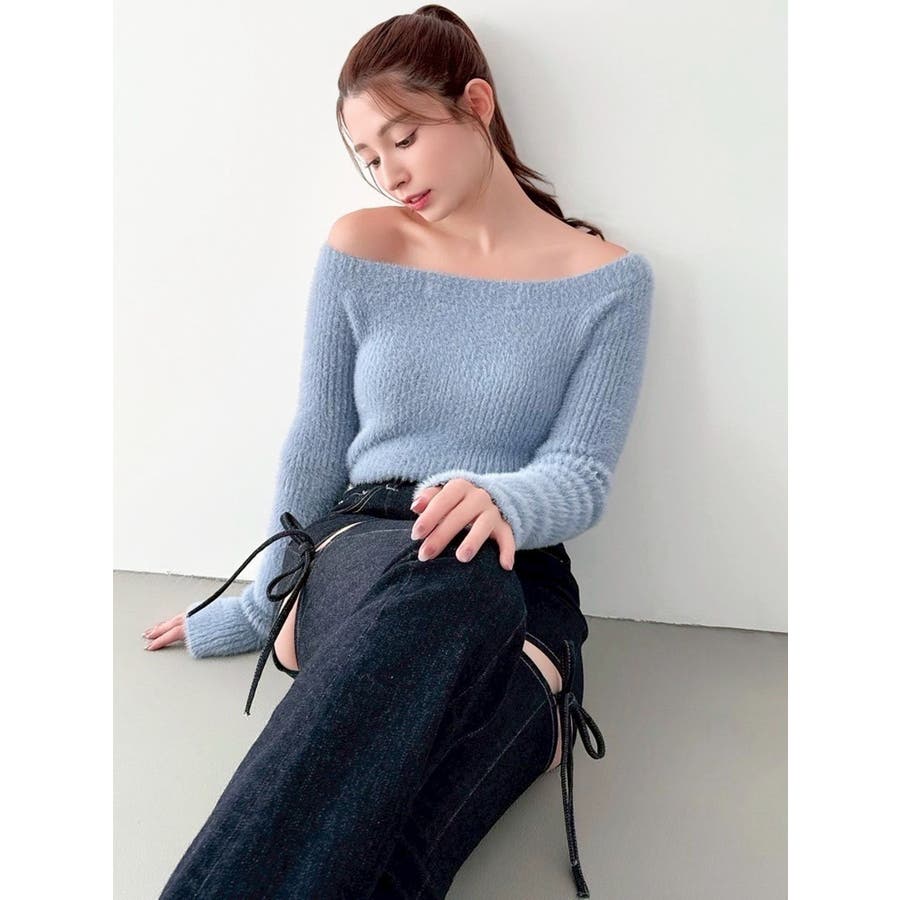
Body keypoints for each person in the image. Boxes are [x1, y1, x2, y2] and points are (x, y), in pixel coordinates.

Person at [145, 5, 653, 898]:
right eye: (368, 156)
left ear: (477, 105)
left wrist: (503, 500)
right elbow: (317, 438)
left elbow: (582, 471)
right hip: (370, 542)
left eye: (404, 138)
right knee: (458, 582)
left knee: (439, 784)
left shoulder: (607, 281)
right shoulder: (364, 245)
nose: (390, 174)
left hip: (521, 570)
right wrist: (262, 606)